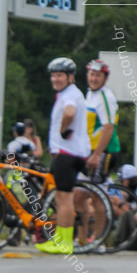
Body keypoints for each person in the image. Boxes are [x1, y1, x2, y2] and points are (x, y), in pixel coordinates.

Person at [35, 57, 91, 255]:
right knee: (61, 198)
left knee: (64, 199)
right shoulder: (70, 93)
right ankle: (60, 240)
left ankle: (64, 242)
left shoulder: (70, 94)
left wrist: (62, 130)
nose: (55, 79)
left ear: (70, 77)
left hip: (68, 154)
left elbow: (69, 113)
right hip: (69, 153)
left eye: (59, 75)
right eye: (53, 75)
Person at [84, 59, 119, 179]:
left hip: (104, 151)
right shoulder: (90, 94)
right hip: (89, 149)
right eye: (91, 74)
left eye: (98, 76)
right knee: (79, 192)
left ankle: (115, 198)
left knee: (97, 193)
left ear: (105, 78)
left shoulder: (105, 98)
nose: (94, 79)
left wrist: (96, 155)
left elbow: (108, 127)